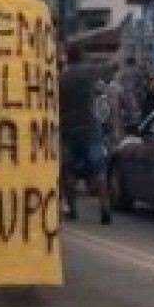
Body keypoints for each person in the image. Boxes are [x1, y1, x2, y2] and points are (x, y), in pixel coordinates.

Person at [57, 47, 112, 225]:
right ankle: (105, 208)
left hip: (67, 129)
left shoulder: (61, 78)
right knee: (99, 170)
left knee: (68, 170)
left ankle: (72, 209)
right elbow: (109, 66)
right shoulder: (89, 72)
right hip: (90, 127)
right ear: (81, 57)